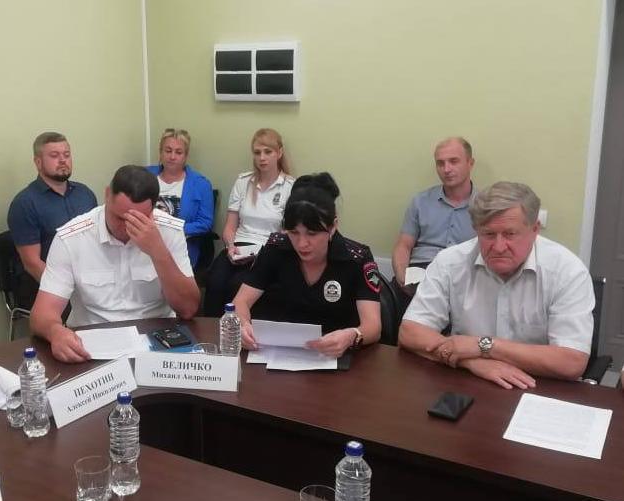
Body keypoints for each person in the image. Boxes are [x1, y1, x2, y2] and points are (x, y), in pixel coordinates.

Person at [398, 181, 594, 389]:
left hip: (538, 387)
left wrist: (483, 346)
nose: (499, 247)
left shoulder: (567, 271)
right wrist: (471, 361)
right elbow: (410, 332)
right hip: (467, 382)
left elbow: (572, 362)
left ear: (535, 229)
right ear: (476, 230)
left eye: (510, 234)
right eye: (489, 234)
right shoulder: (450, 262)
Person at [30, 165, 200, 363]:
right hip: (92, 345)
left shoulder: (169, 231)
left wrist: (158, 251)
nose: (126, 227)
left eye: (138, 219)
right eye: (119, 217)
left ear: (153, 210)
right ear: (107, 195)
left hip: (158, 340)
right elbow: (41, 315)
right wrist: (55, 332)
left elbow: (188, 308)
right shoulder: (72, 238)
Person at [234, 173, 382, 357]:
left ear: (333, 226)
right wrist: (242, 325)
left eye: (312, 233)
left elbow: (373, 327)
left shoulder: (357, 259)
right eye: (294, 232)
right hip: (278, 352)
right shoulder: (276, 248)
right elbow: (240, 302)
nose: (302, 243)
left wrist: (352, 335)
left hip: (336, 357)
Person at [203, 128, 295, 316]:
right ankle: (211, 330)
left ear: (279, 153)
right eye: (257, 152)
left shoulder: (290, 187)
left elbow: (289, 233)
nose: (262, 158)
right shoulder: (243, 182)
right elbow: (230, 227)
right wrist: (230, 247)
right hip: (238, 248)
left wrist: (261, 255)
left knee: (237, 285)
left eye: (268, 152)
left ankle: (238, 332)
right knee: (215, 282)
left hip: (267, 250)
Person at [6, 132, 98, 303]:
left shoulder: (85, 194)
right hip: (47, 286)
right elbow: (32, 263)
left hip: (87, 278)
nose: (63, 160)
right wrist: (71, 294)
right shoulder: (24, 203)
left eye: (67, 155)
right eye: (54, 156)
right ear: (38, 162)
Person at [391, 137, 477, 308]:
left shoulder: (485, 207)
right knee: (386, 302)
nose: (446, 169)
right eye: (440, 163)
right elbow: (404, 245)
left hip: (462, 276)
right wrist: (402, 276)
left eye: (453, 161)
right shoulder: (421, 201)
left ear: (470, 163)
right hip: (420, 273)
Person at [145, 128, 214, 268]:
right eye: (168, 151)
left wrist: (172, 228)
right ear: (160, 152)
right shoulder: (145, 175)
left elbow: (205, 223)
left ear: (186, 156)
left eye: (178, 152)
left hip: (180, 248)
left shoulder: (201, 184)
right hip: (145, 243)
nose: (172, 157)